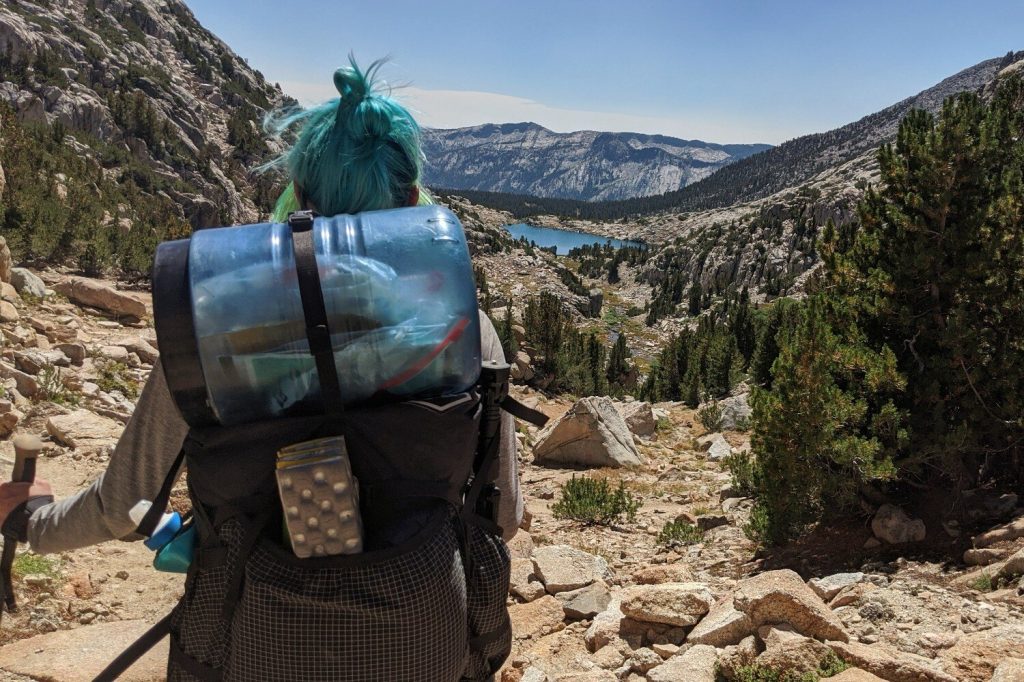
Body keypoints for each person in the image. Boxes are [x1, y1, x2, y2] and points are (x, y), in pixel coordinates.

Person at [0, 58, 521, 680]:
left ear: (298, 194)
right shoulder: (464, 330)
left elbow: (121, 506)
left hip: (255, 638)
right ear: (411, 202)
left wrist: (30, 521)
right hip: (426, 642)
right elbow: (504, 517)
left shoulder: (211, 321)